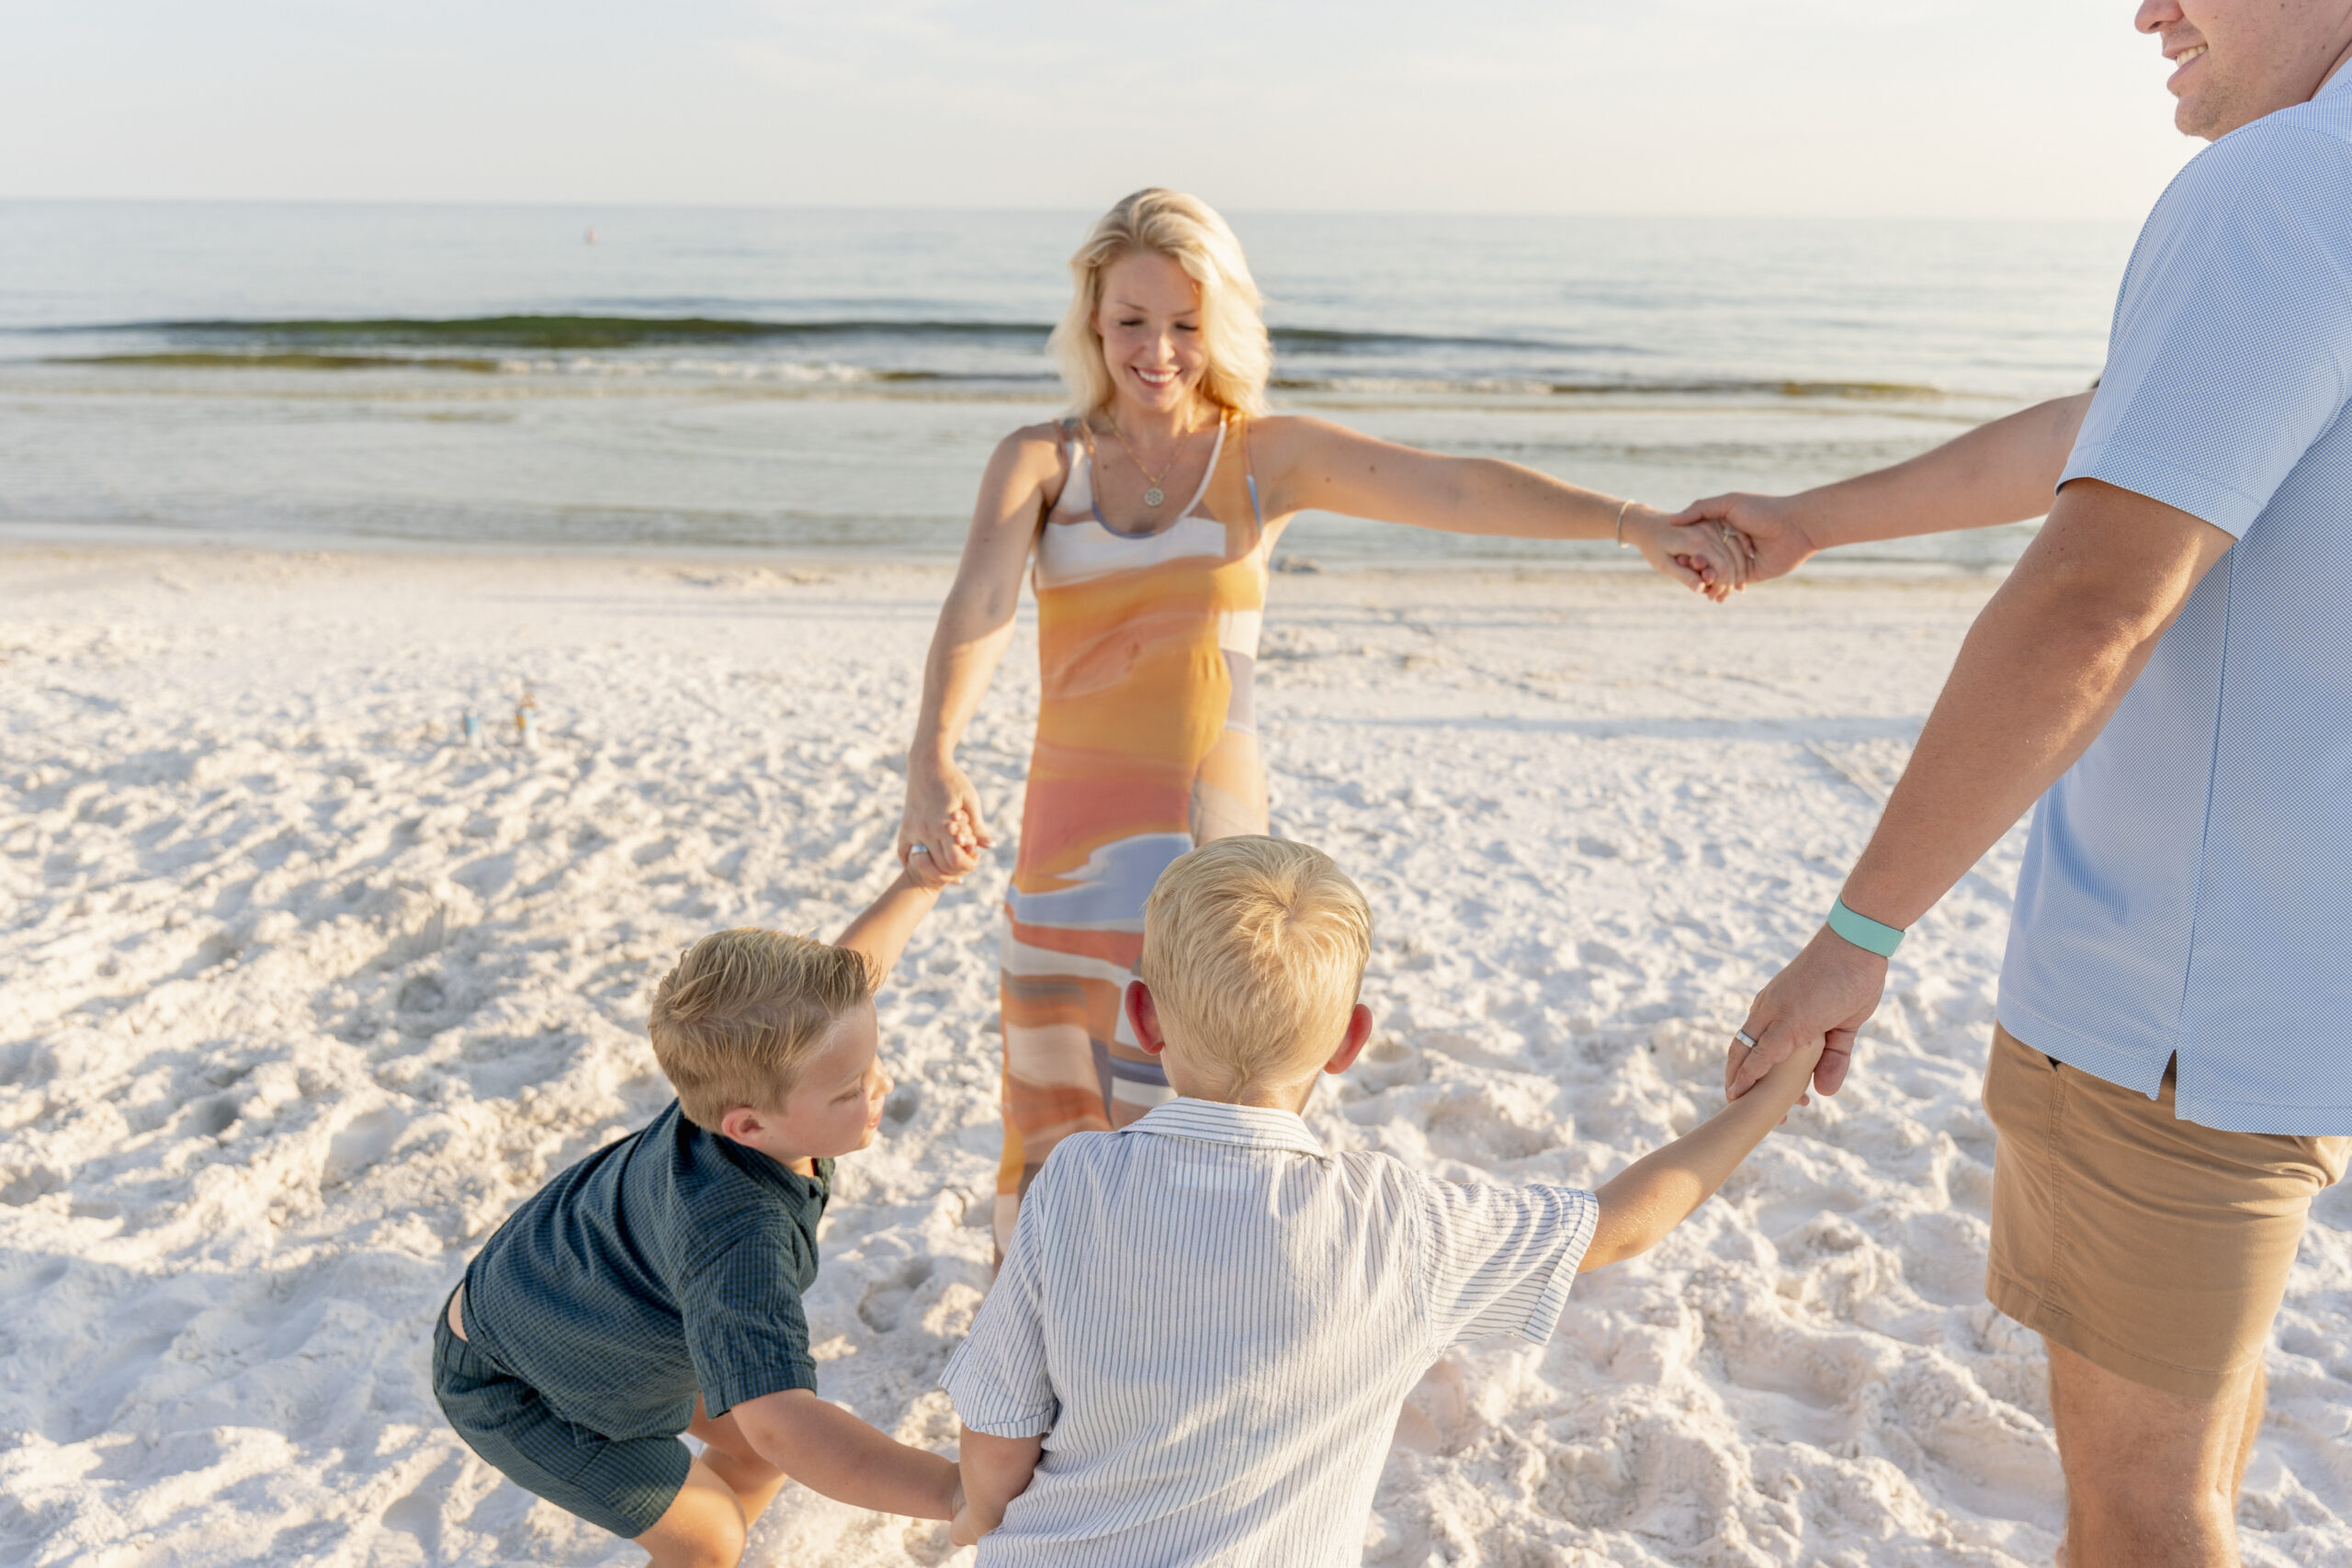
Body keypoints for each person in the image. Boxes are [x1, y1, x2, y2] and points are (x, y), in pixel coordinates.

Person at [1684, 5, 2352, 1562]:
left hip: (2172, 1002)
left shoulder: (2279, 188)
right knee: (2195, 1460)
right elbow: (2127, 428)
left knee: (2143, 1518)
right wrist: (1821, 518)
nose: (2150, 10)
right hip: (2293, 979)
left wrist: (1861, 930)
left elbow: (2092, 605)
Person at [898, 187, 1748, 1256]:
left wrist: (1631, 525)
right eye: (1131, 322)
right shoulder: (1039, 462)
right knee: (1055, 1147)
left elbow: (1460, 493)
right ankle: (1045, 1373)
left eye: (1184, 323)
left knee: (1218, 1143)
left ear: (1221, 326)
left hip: (1215, 868)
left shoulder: (1262, 456)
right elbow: (977, 607)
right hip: (1064, 861)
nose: (1156, 350)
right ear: (1092, 319)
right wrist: (931, 757)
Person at [936, 836, 1826, 1561]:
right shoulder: (1401, 1225)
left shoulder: (1075, 1184)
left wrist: (980, 1515)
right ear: (1350, 1040)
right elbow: (1620, 1228)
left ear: (1143, 1017)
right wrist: (1769, 1098)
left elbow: (1000, 1439)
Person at [431, 863, 963, 1566]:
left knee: (748, 1466)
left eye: (872, 1061)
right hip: (521, 1380)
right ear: (748, 1126)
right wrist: (957, 1491)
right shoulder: (739, 1232)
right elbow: (784, 1423)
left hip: (586, 1310)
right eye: (849, 1090)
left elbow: (847, 981)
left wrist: (920, 881)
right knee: (714, 1534)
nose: (881, 1087)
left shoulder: (729, 1088)